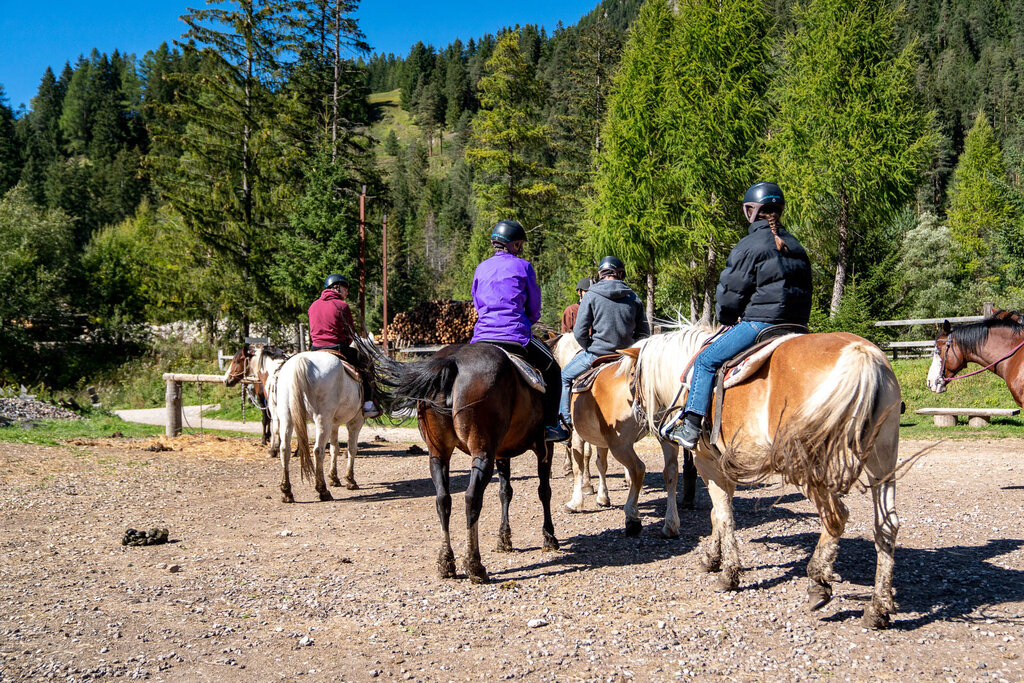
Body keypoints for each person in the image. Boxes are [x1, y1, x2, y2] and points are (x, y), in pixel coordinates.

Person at [661, 181, 812, 449]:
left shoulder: (750, 245)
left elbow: (731, 293)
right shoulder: (795, 245)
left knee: (706, 360)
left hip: (760, 325)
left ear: (751, 211)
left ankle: (691, 426)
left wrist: (728, 317)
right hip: (797, 327)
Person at [470, 219, 565, 442]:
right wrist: (527, 320)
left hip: (482, 337)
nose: (521, 247)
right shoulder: (523, 266)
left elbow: (476, 302)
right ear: (514, 245)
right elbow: (533, 307)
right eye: (520, 243)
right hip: (515, 336)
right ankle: (551, 425)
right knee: (553, 369)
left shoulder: (481, 267)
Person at [558, 256, 650, 430]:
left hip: (597, 353)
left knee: (564, 377)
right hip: (626, 356)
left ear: (601, 273)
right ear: (621, 274)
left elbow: (579, 332)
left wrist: (590, 346)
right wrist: (631, 350)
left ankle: (565, 423)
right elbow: (644, 333)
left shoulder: (591, 295)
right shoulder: (633, 297)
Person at [308, 273, 380, 417]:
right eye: (345, 288)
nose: (346, 292)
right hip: (338, 348)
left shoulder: (313, 305)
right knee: (367, 365)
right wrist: (346, 343)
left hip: (315, 349)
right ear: (337, 288)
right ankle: (368, 404)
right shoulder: (342, 305)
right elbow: (350, 333)